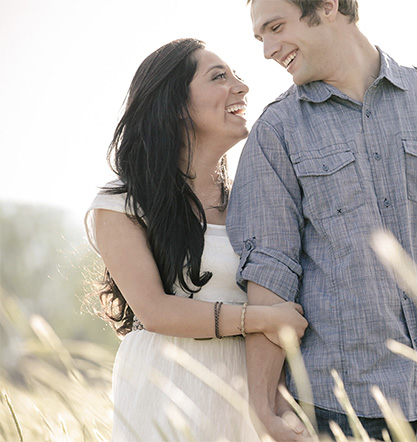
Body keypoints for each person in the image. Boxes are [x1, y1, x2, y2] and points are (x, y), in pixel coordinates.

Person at [227, 0, 417, 440]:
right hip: (335, 413)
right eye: (260, 36)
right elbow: (270, 277)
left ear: (327, 6)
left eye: (275, 27)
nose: (267, 49)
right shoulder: (277, 131)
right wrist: (263, 407)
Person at [84, 38, 308, 441]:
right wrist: (265, 319)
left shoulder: (257, 202)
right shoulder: (121, 205)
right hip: (165, 386)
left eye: (236, 76)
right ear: (173, 104)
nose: (241, 87)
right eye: (219, 77)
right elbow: (154, 311)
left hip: (251, 391)